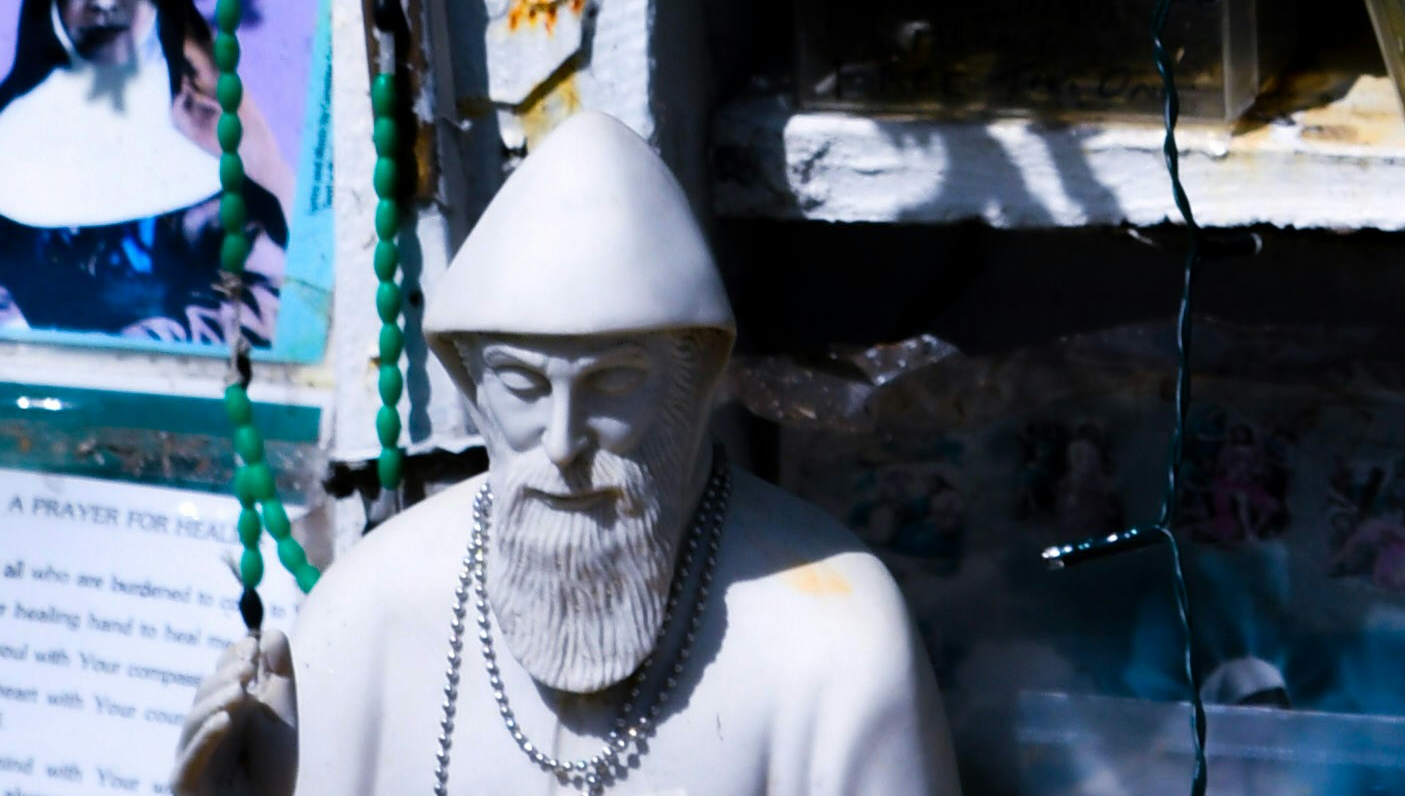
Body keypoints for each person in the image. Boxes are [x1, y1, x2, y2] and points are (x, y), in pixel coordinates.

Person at [174, 112, 953, 796]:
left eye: (614, 382)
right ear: (471, 381)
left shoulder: (833, 636)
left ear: (698, 378)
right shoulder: (366, 612)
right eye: (521, 384)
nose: (563, 437)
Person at [0, 0, 283, 340]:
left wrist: (137, 351)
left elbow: (262, 298)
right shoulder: (9, 130)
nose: (105, 0)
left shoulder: (211, 135)